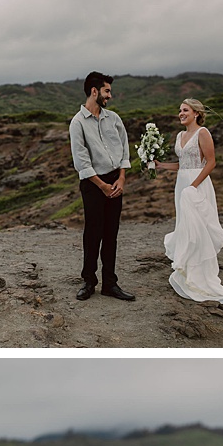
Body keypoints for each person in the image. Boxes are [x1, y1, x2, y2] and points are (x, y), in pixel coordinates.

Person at [152, 100, 223, 304]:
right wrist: (161, 165)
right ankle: (187, 274)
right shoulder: (181, 135)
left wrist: (194, 186)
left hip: (197, 186)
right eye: (179, 110)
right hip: (182, 184)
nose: (180, 113)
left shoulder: (203, 133)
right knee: (185, 227)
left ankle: (201, 277)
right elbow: (183, 165)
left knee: (199, 229)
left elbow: (211, 161)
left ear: (196, 113)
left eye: (185, 110)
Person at [69, 72, 135, 303]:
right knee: (93, 233)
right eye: (107, 91)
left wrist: (122, 179)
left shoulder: (114, 119)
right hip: (93, 184)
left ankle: (110, 283)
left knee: (111, 233)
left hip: (115, 181)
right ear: (94, 91)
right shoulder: (77, 122)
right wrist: (102, 186)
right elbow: (81, 161)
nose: (110, 95)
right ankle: (89, 281)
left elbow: (124, 149)